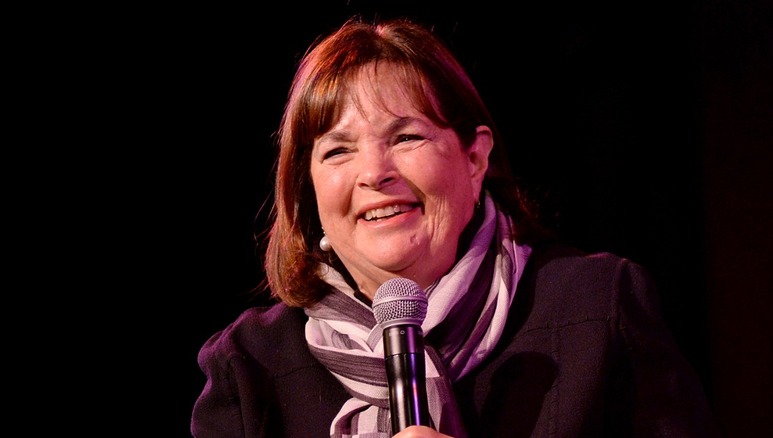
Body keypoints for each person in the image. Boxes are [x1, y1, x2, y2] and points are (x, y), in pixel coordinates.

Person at [190, 16, 720, 438]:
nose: (374, 173)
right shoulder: (250, 366)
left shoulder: (598, 309)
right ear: (307, 189)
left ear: (474, 158)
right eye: (338, 150)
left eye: (406, 138)